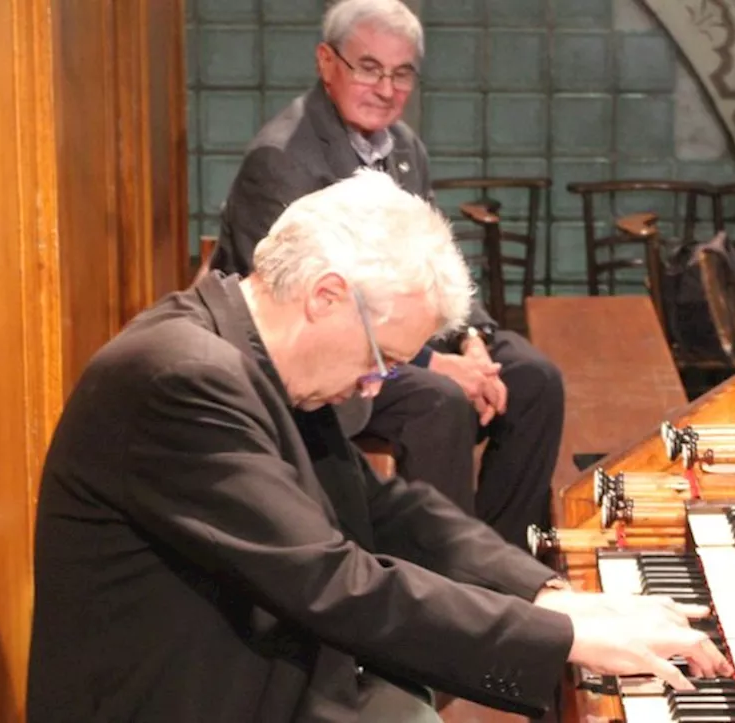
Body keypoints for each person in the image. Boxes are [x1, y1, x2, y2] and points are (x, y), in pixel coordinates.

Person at [26, 172, 730, 722]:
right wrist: (554, 636)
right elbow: (333, 580)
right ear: (327, 296)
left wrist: (549, 592)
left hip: (246, 671)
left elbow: (388, 507)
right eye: (381, 356)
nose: (378, 381)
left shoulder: (254, 359)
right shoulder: (181, 376)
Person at [209, 0, 559, 549]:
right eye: (368, 68)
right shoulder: (281, 157)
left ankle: (503, 557)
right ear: (327, 62)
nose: (386, 88)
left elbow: (434, 257)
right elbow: (295, 301)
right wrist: (435, 362)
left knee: (535, 378)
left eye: (401, 73)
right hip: (323, 351)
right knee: (438, 401)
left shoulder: (405, 148)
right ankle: (439, 578)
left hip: (400, 328)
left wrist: (471, 341)